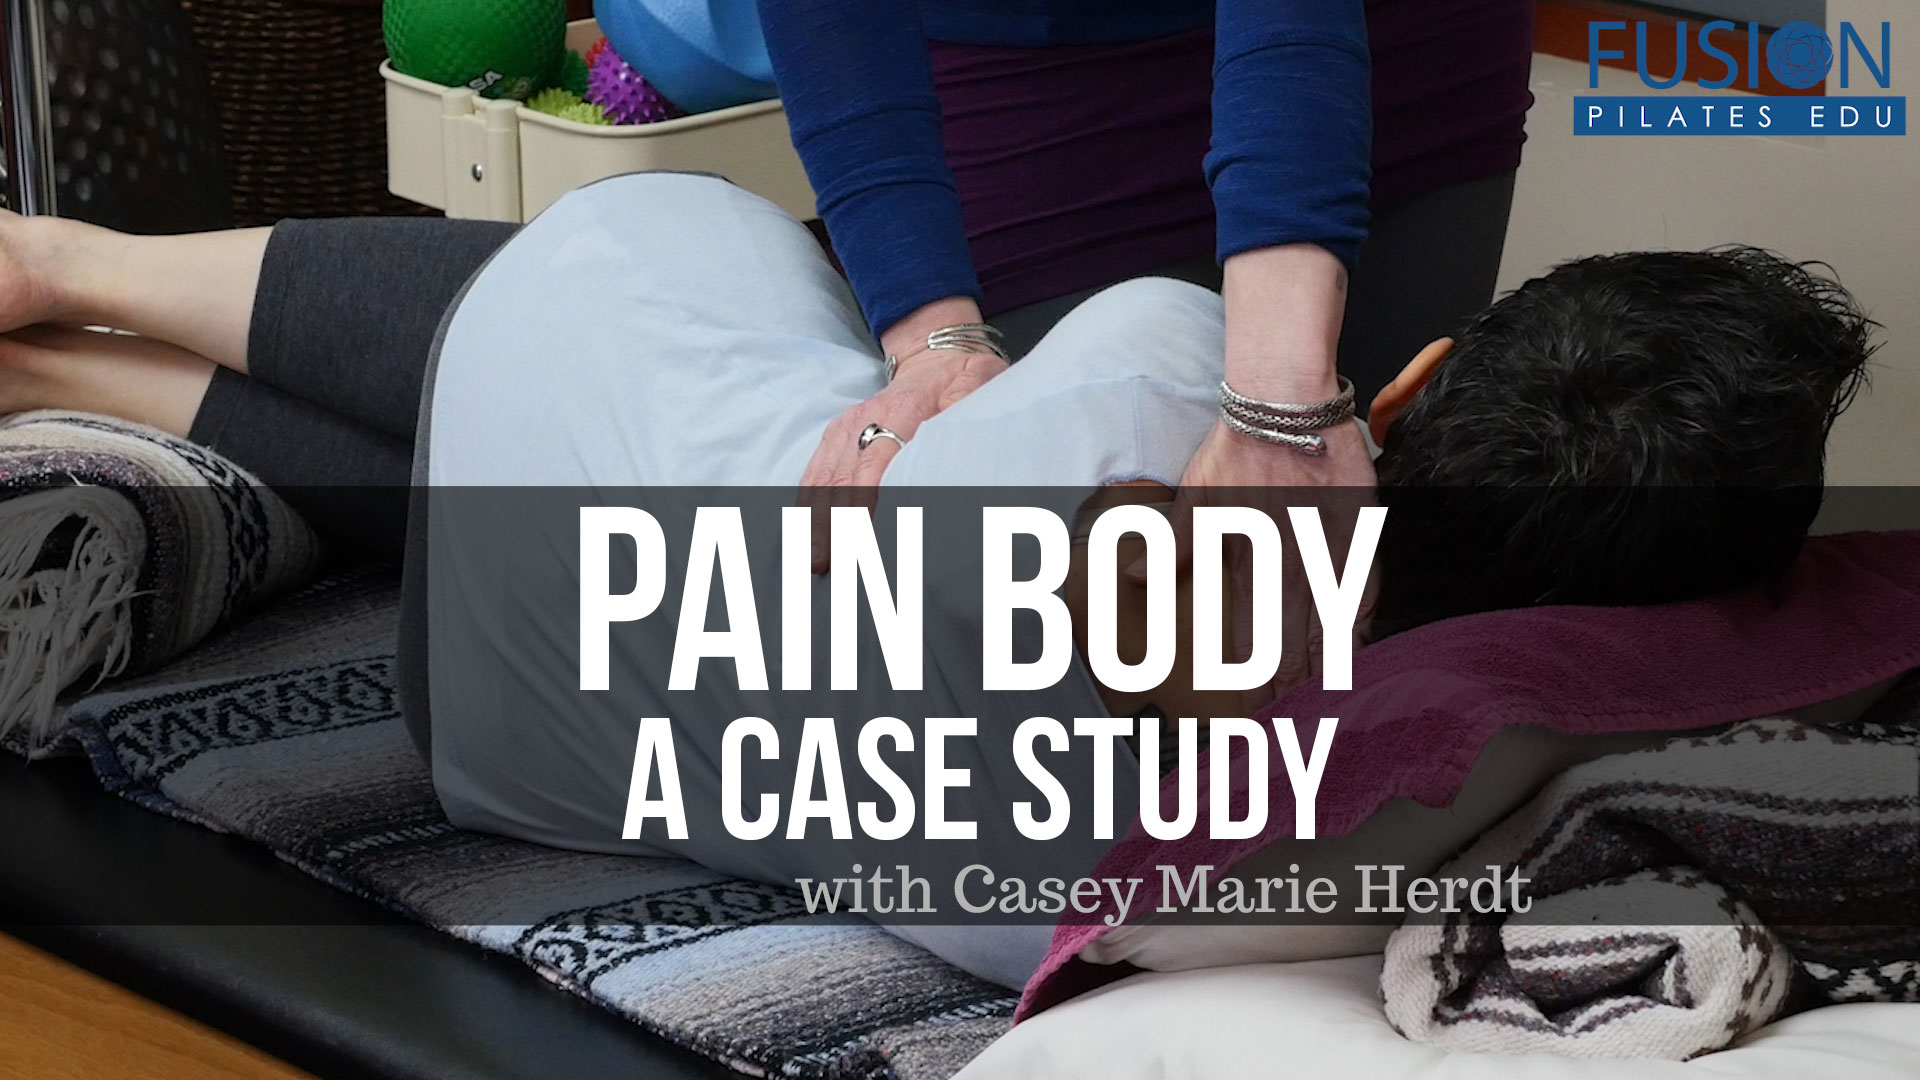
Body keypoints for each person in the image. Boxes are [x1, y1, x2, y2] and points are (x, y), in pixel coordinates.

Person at [0, 173, 1872, 987]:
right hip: (504, 731)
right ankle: (53, 368)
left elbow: (958, 456)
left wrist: (932, 376)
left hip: (582, 422)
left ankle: (72, 260)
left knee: (686, 292)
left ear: (1411, 382)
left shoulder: (1169, 361)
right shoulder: (1265, 861)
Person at [755, 0, 1536, 557]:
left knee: (1393, 541)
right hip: (1032, 81)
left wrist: (1281, 395)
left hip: (1382, 42)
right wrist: (934, 340)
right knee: (1101, 571)